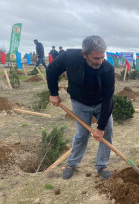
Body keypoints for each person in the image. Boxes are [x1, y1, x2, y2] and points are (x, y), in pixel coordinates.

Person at [47, 35, 115, 180]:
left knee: (107, 132)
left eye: (102, 57)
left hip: (101, 102)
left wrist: (100, 128)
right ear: (84, 54)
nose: (100, 61)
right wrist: (53, 93)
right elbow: (52, 69)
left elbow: (108, 99)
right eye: (96, 58)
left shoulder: (107, 69)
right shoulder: (70, 57)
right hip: (80, 102)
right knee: (82, 134)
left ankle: (102, 166)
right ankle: (72, 164)